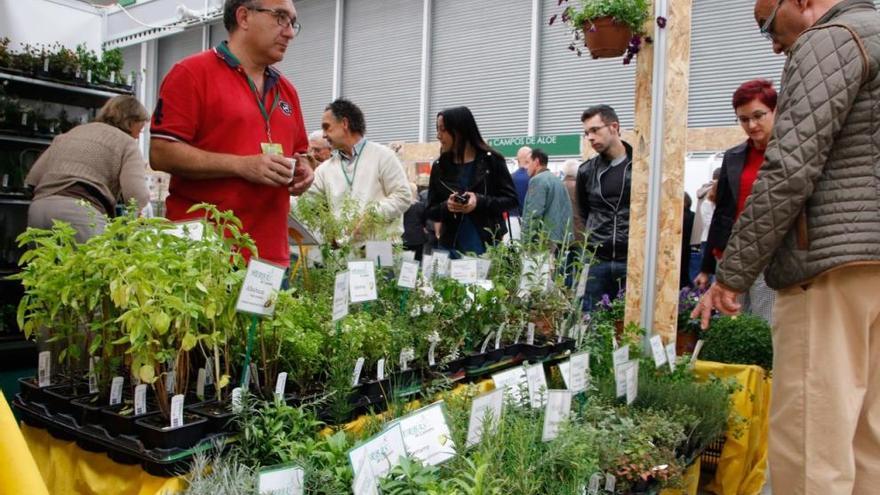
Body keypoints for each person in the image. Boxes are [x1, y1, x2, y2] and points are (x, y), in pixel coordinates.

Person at [693, 1, 880, 493]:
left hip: (828, 271)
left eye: (768, 26)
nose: (774, 43)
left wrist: (731, 276)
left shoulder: (831, 39)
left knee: (812, 439)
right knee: (869, 440)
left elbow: (790, 170)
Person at [149, 0, 315, 267]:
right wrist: (241, 166)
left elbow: (301, 152)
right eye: (280, 17)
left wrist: (304, 170)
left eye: (292, 22)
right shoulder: (191, 74)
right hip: (202, 253)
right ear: (244, 17)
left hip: (269, 257)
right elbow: (161, 152)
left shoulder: (287, 91)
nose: (290, 32)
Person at [693, 79, 778, 323]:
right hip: (731, 256)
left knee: (766, 326)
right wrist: (708, 265)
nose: (751, 125)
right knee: (735, 324)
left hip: (770, 256)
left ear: (776, 111)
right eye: (743, 119)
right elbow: (722, 212)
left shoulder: (788, 152)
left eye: (758, 115)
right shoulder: (734, 156)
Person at [26, 95, 151, 242]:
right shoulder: (127, 143)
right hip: (80, 215)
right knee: (91, 265)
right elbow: (137, 196)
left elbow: (33, 178)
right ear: (131, 122)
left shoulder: (72, 133)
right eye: (140, 129)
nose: (138, 136)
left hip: (39, 211)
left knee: (44, 264)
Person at [308, 98, 411, 240]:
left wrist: (372, 216)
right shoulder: (325, 170)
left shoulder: (383, 156)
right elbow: (305, 202)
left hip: (381, 251)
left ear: (344, 123)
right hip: (343, 254)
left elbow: (403, 196)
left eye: (327, 127)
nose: (324, 135)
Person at [426, 106, 517, 256]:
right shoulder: (439, 166)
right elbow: (430, 211)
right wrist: (447, 206)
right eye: (437, 129)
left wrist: (479, 201)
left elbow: (511, 200)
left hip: (486, 247)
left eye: (443, 129)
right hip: (449, 248)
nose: (438, 135)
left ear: (459, 130)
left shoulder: (492, 161)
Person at [575, 104, 632, 310]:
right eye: (586, 132)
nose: (590, 137)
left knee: (630, 326)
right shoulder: (586, 171)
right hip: (597, 260)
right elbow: (583, 213)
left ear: (614, 127)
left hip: (631, 260)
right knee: (591, 323)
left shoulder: (641, 166)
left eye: (595, 130)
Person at [521, 148, 573, 249]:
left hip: (542, 241)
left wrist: (525, 241)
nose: (526, 167)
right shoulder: (557, 180)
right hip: (559, 239)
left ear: (536, 162)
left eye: (528, 162)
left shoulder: (537, 180)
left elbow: (533, 214)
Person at [690, 167, 720, 282]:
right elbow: (710, 223)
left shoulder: (702, 191)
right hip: (711, 238)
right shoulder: (712, 195)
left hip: (702, 237)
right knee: (712, 274)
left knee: (705, 271)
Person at [402, 183, 429, 260]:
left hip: (402, 236)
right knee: (417, 261)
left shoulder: (401, 206)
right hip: (418, 238)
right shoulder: (420, 206)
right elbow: (424, 221)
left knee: (402, 261)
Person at [511, 146, 531, 216]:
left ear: (518, 161)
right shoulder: (535, 178)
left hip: (513, 219)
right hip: (530, 220)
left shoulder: (510, 178)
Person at [680, 192, 695, 289]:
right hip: (688, 246)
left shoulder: (676, 215)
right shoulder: (693, 215)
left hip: (678, 246)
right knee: (685, 269)